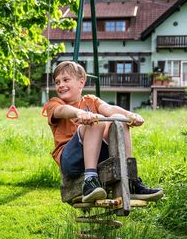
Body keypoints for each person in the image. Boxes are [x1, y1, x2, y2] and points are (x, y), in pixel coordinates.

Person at [45, 61, 163, 203]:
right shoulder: (55, 103)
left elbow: (111, 109)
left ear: (81, 83)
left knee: (119, 119)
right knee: (97, 120)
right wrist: (79, 113)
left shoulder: (91, 100)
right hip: (71, 161)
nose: (60, 85)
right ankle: (90, 180)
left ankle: (131, 180)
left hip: (98, 154)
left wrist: (131, 115)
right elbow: (62, 111)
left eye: (65, 80)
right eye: (57, 82)